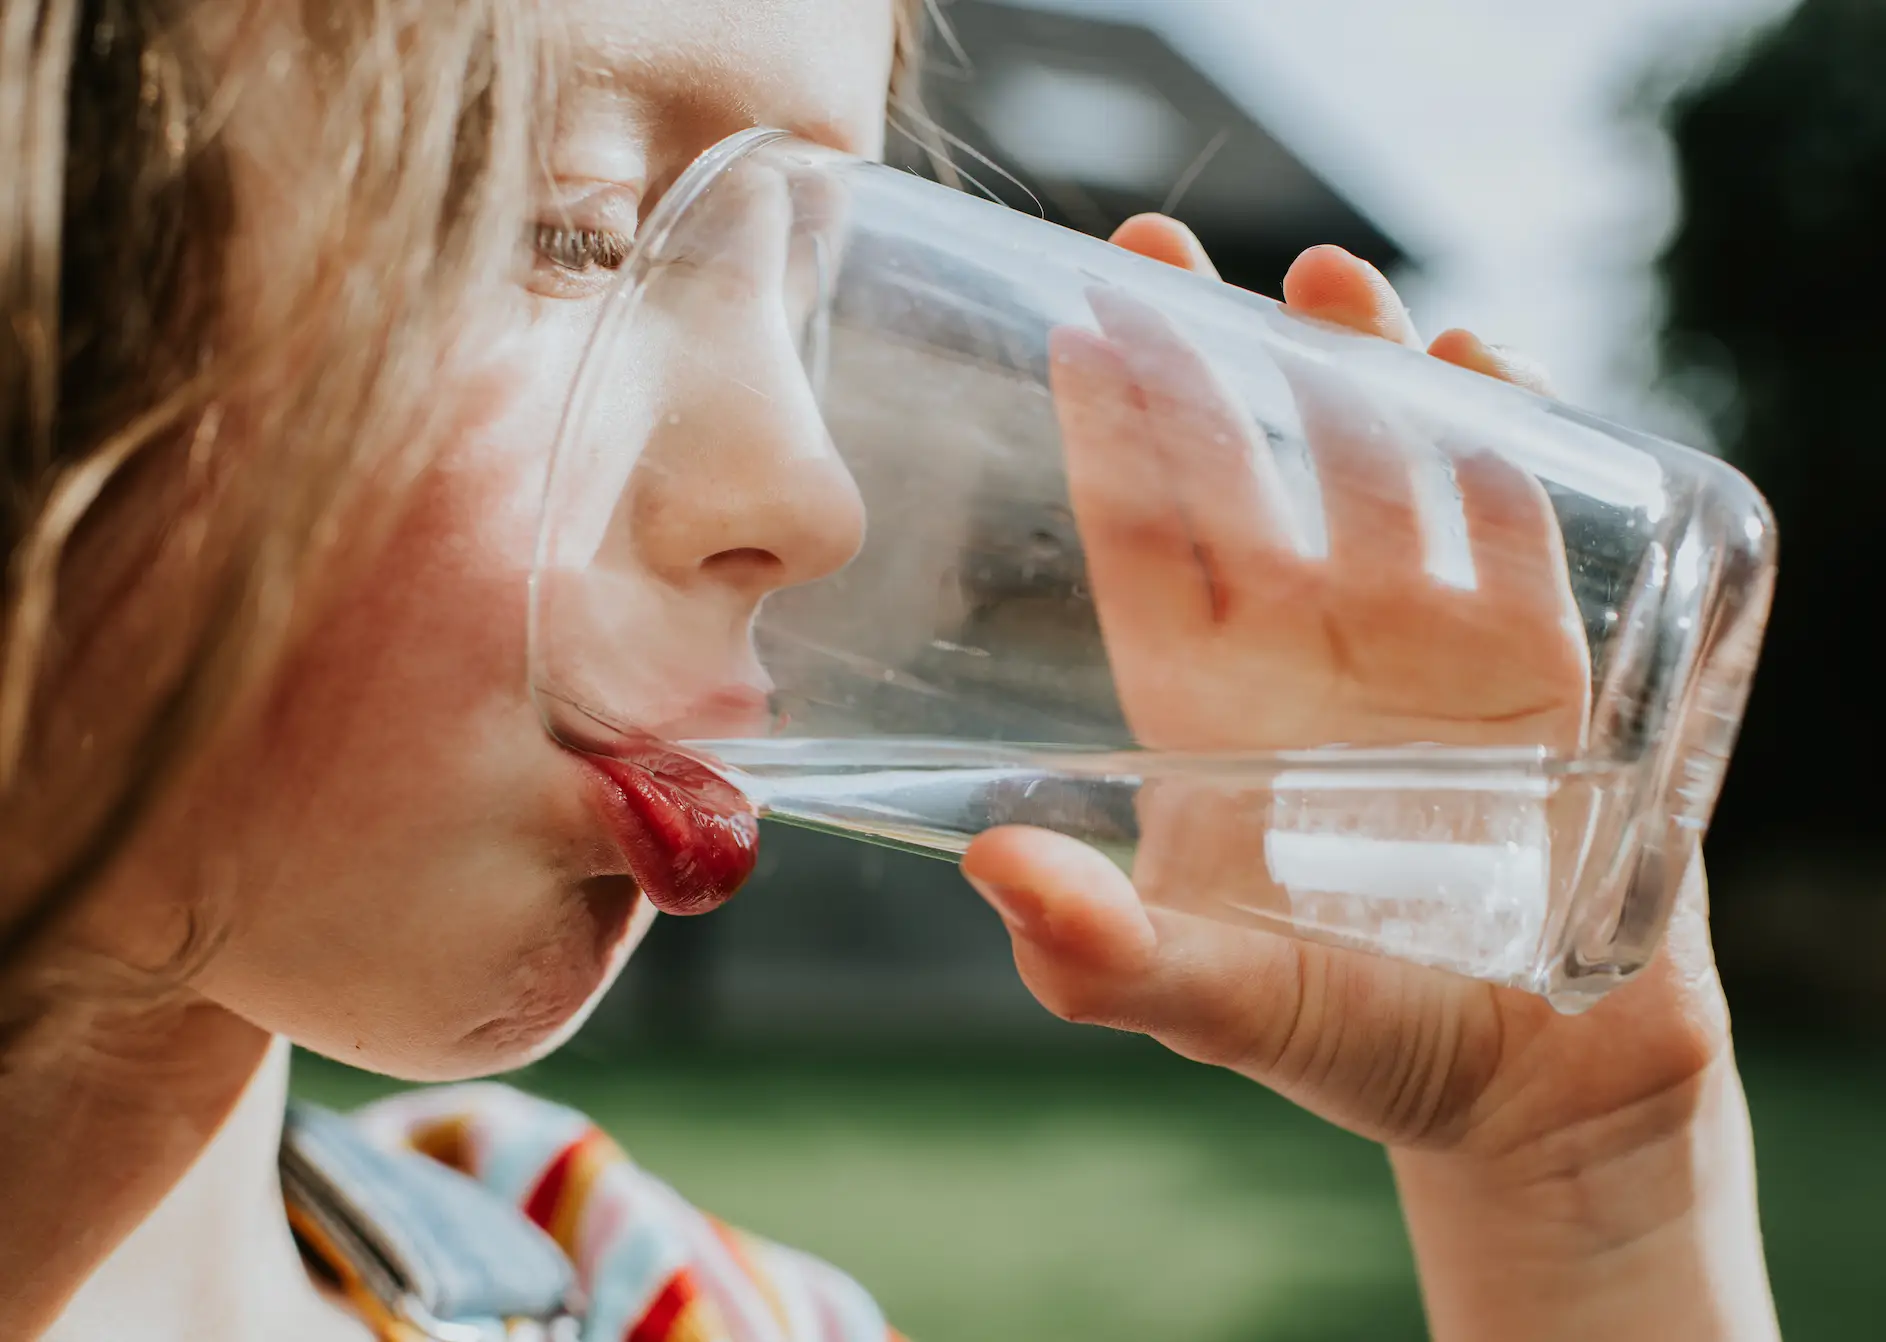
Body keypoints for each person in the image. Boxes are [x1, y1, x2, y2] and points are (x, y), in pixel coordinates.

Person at [0, 1, 1780, 1339]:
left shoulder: (643, 1295)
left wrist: (1584, 1203)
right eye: (583, 234)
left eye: (801, 293)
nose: (811, 493)